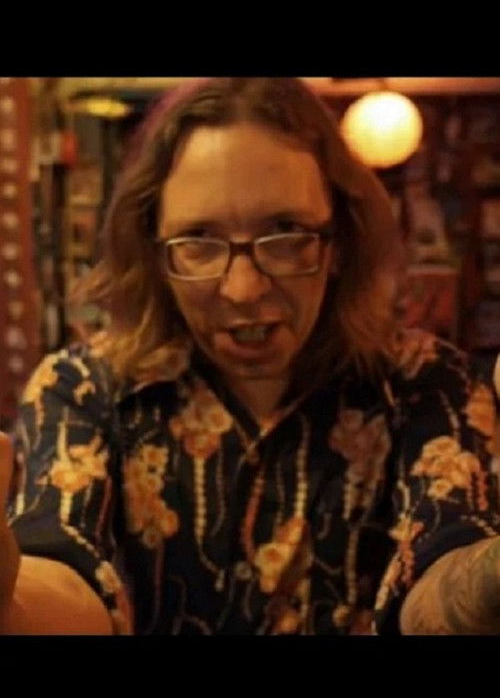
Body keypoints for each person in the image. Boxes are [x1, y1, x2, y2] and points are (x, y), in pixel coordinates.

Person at [0, 77, 499, 635]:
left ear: (339, 241)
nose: (242, 289)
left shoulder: (427, 383)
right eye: (198, 240)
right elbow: (62, 573)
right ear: (154, 253)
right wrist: (9, 601)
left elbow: (442, 577)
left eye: (286, 233)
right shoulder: (82, 388)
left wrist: (488, 579)